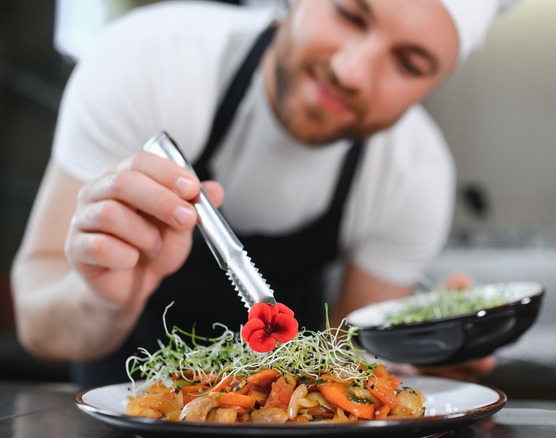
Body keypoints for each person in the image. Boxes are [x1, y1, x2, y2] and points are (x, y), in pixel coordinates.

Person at [11, 0, 518, 387]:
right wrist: (99, 301)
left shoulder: (414, 173)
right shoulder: (149, 62)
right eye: (348, 14)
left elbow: (345, 366)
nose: (351, 72)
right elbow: (37, 325)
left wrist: (409, 362)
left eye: (408, 64)